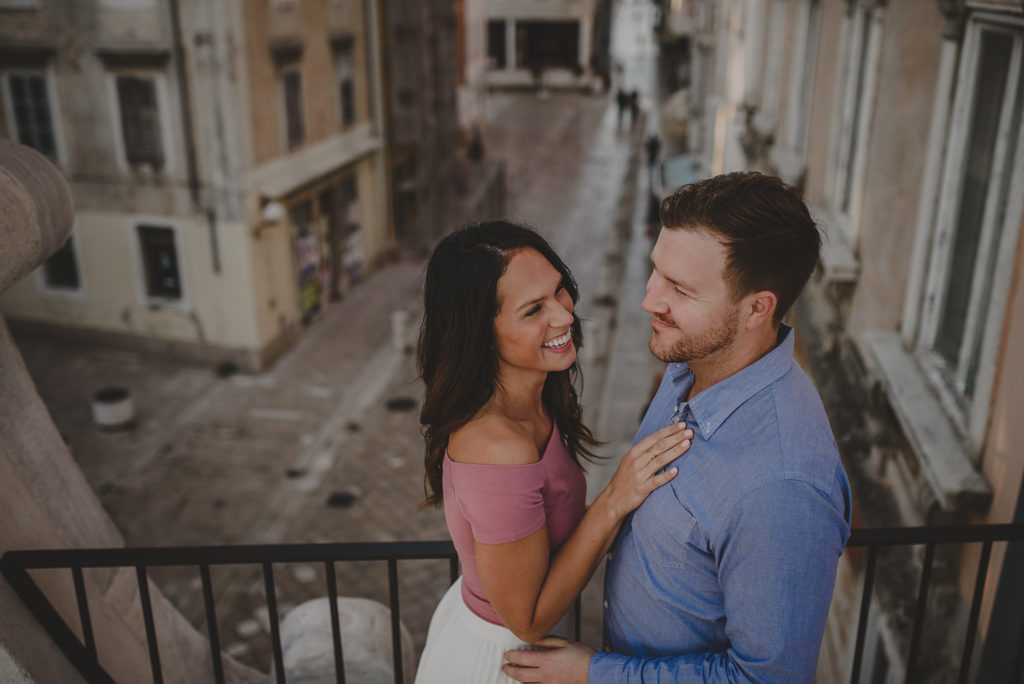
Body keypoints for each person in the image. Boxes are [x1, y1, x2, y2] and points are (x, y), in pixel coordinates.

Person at [502, 172, 852, 683]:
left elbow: (764, 679)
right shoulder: (692, 361)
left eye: (680, 289)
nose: (650, 300)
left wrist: (594, 674)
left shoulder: (783, 487)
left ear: (757, 307)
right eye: (656, 272)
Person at [414, 221, 694, 683]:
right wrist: (616, 497)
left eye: (559, 290)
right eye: (533, 310)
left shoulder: (535, 398)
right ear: (481, 332)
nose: (564, 316)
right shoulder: (497, 450)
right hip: (503, 662)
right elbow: (527, 619)